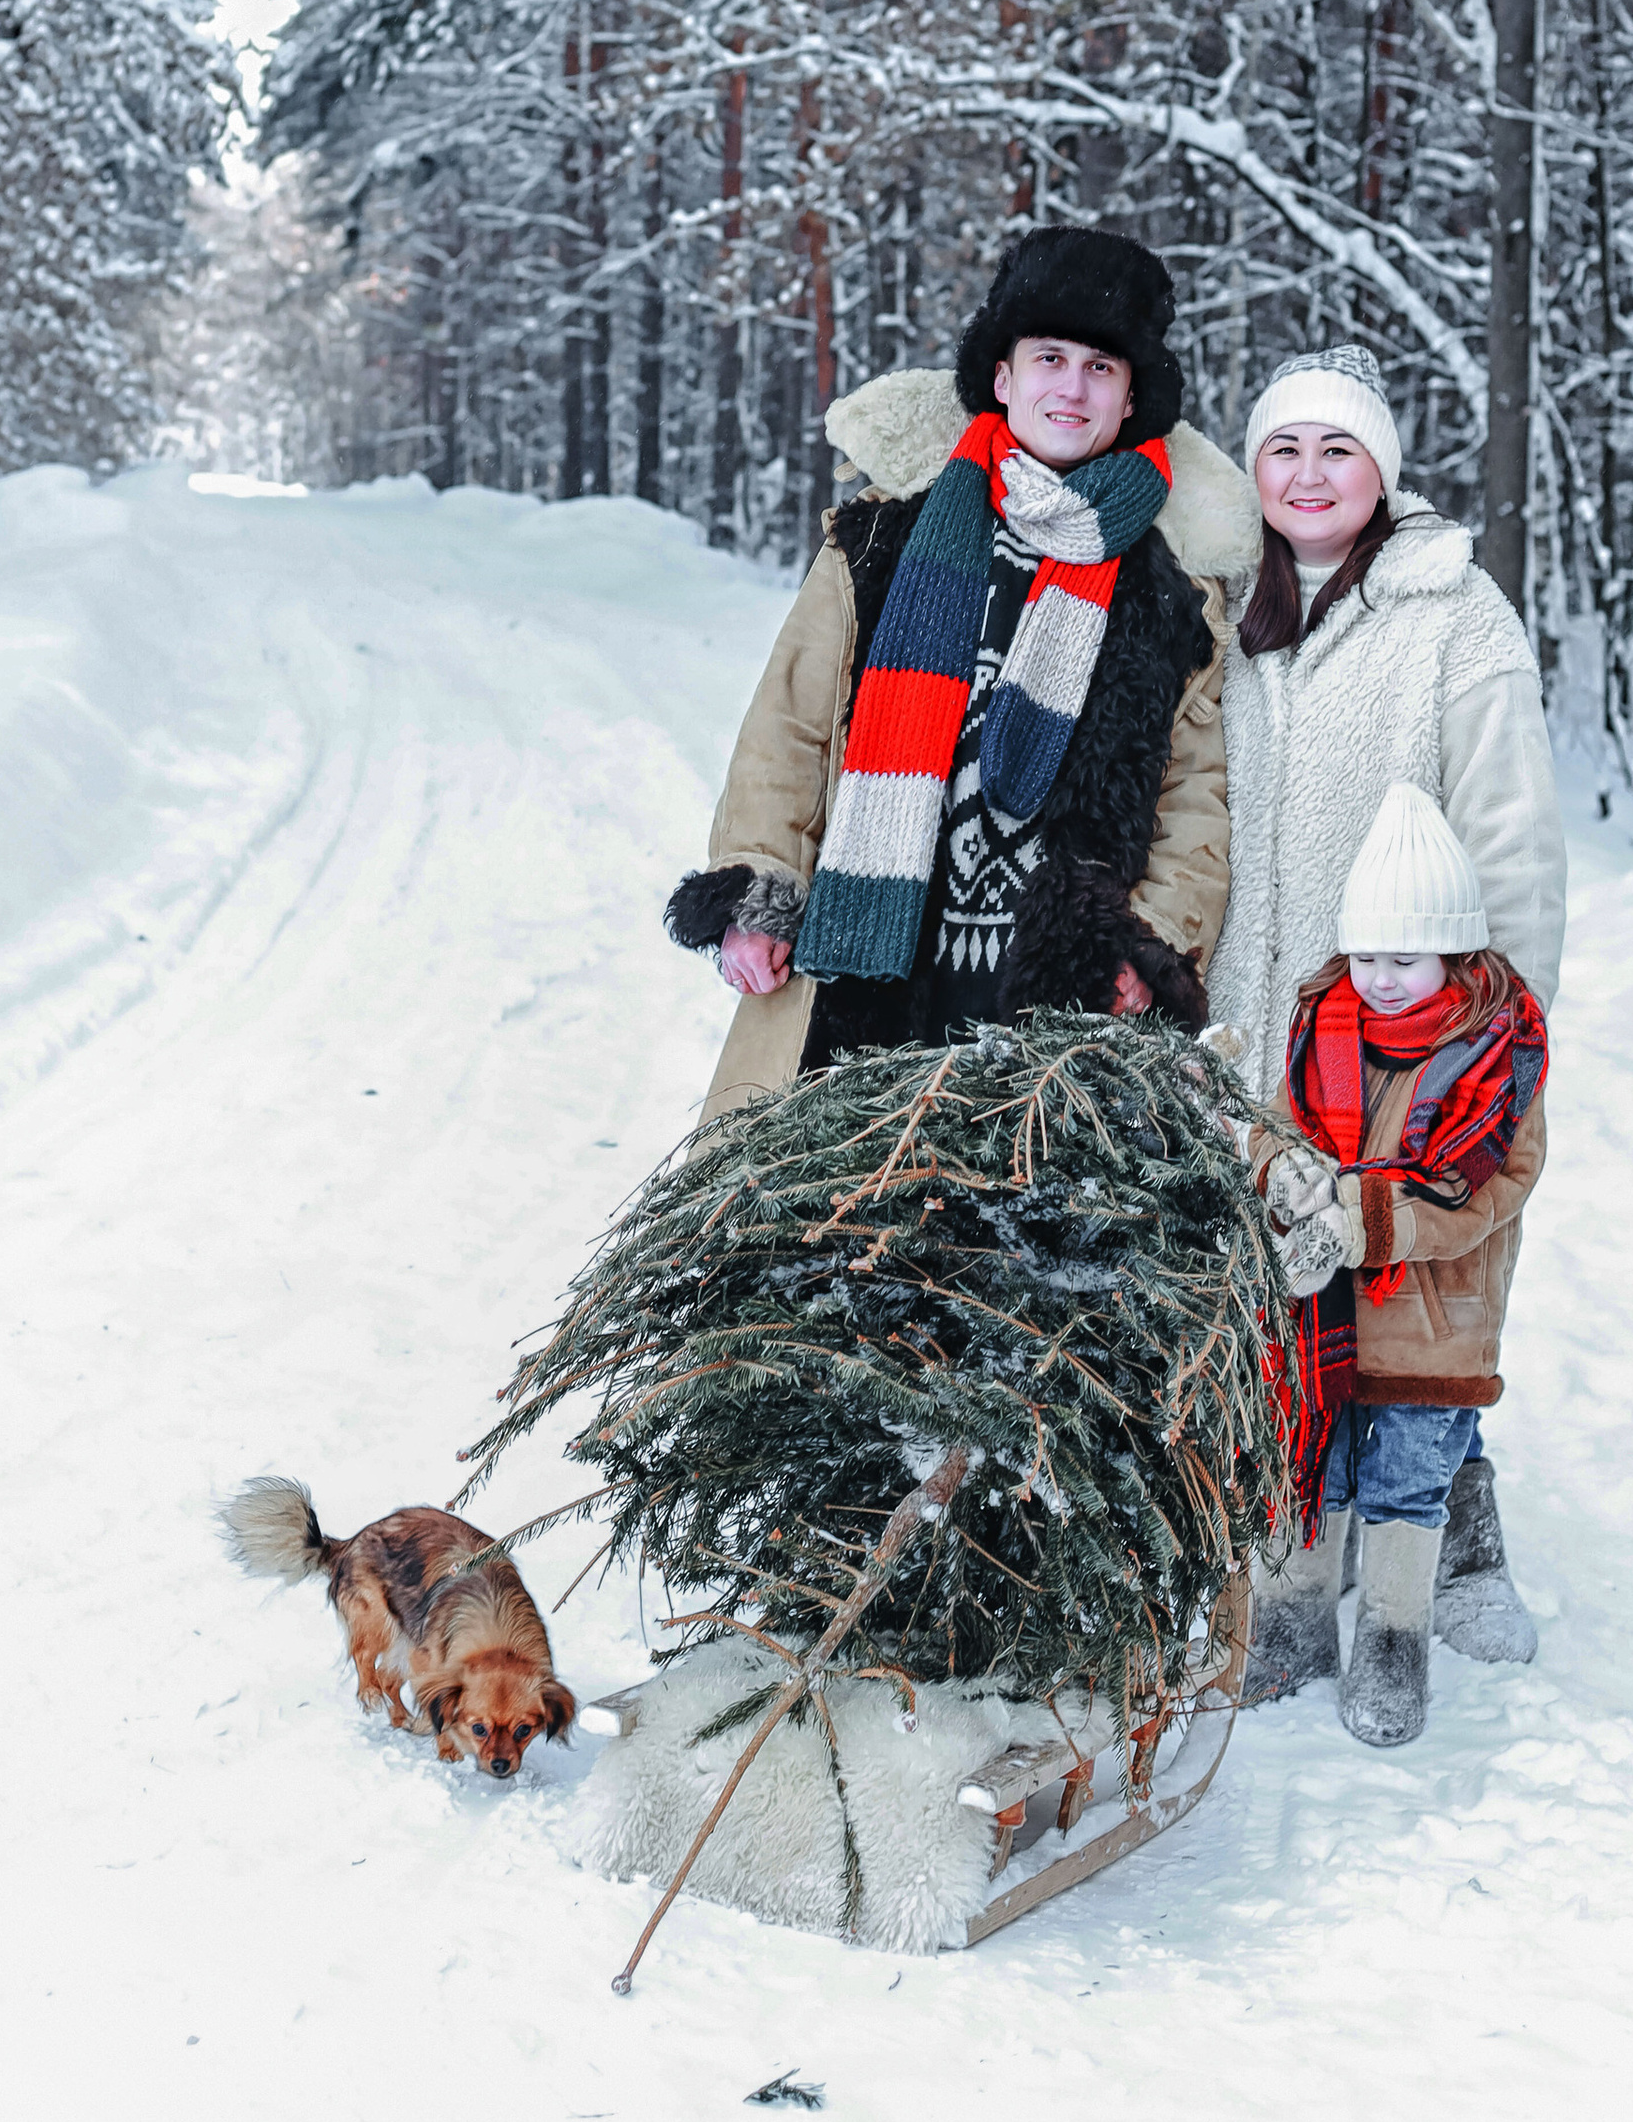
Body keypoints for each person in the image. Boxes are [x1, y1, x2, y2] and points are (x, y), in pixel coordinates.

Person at [665, 228, 1261, 1125]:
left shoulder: (1172, 592)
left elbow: (1193, 797)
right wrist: (756, 881)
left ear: (1132, 395)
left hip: (1056, 1009)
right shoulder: (882, 540)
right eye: (1048, 357)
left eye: (1101, 367)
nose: (1071, 386)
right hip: (865, 982)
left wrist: (1150, 948)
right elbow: (788, 727)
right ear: (1002, 377)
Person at [1204, 340, 1566, 1665]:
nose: (1308, 473)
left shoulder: (1455, 616)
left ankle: (1453, 1518)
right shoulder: (1211, 600)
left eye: (1338, 448)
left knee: (1420, 1284)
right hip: (1251, 1021)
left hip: (1410, 1033)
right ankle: (1287, 1542)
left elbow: (1514, 841)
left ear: (1382, 471)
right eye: (1284, 448)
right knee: (1270, 1282)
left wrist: (1505, 1028)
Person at [1243, 784, 1550, 1745]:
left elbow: (1488, 1195)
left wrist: (1370, 1223)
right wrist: (1285, 1175)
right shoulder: (1322, 1027)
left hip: (1435, 1321)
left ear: (1454, 954)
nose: (1379, 978)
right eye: (1367, 955)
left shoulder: (1495, 1057)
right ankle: (1295, 1625)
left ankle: (1392, 1641)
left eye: (1404, 960)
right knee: (1320, 1467)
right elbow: (1283, 1132)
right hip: (1329, 1319)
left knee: (1408, 1483)